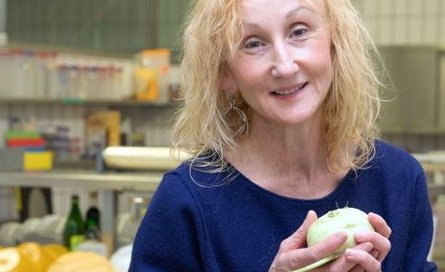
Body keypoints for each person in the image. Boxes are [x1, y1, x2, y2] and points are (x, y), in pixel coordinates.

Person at [129, 0, 437, 271]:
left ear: (334, 44)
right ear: (225, 74)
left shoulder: (398, 181)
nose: (285, 65)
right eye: (253, 43)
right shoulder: (187, 201)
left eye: (299, 31)